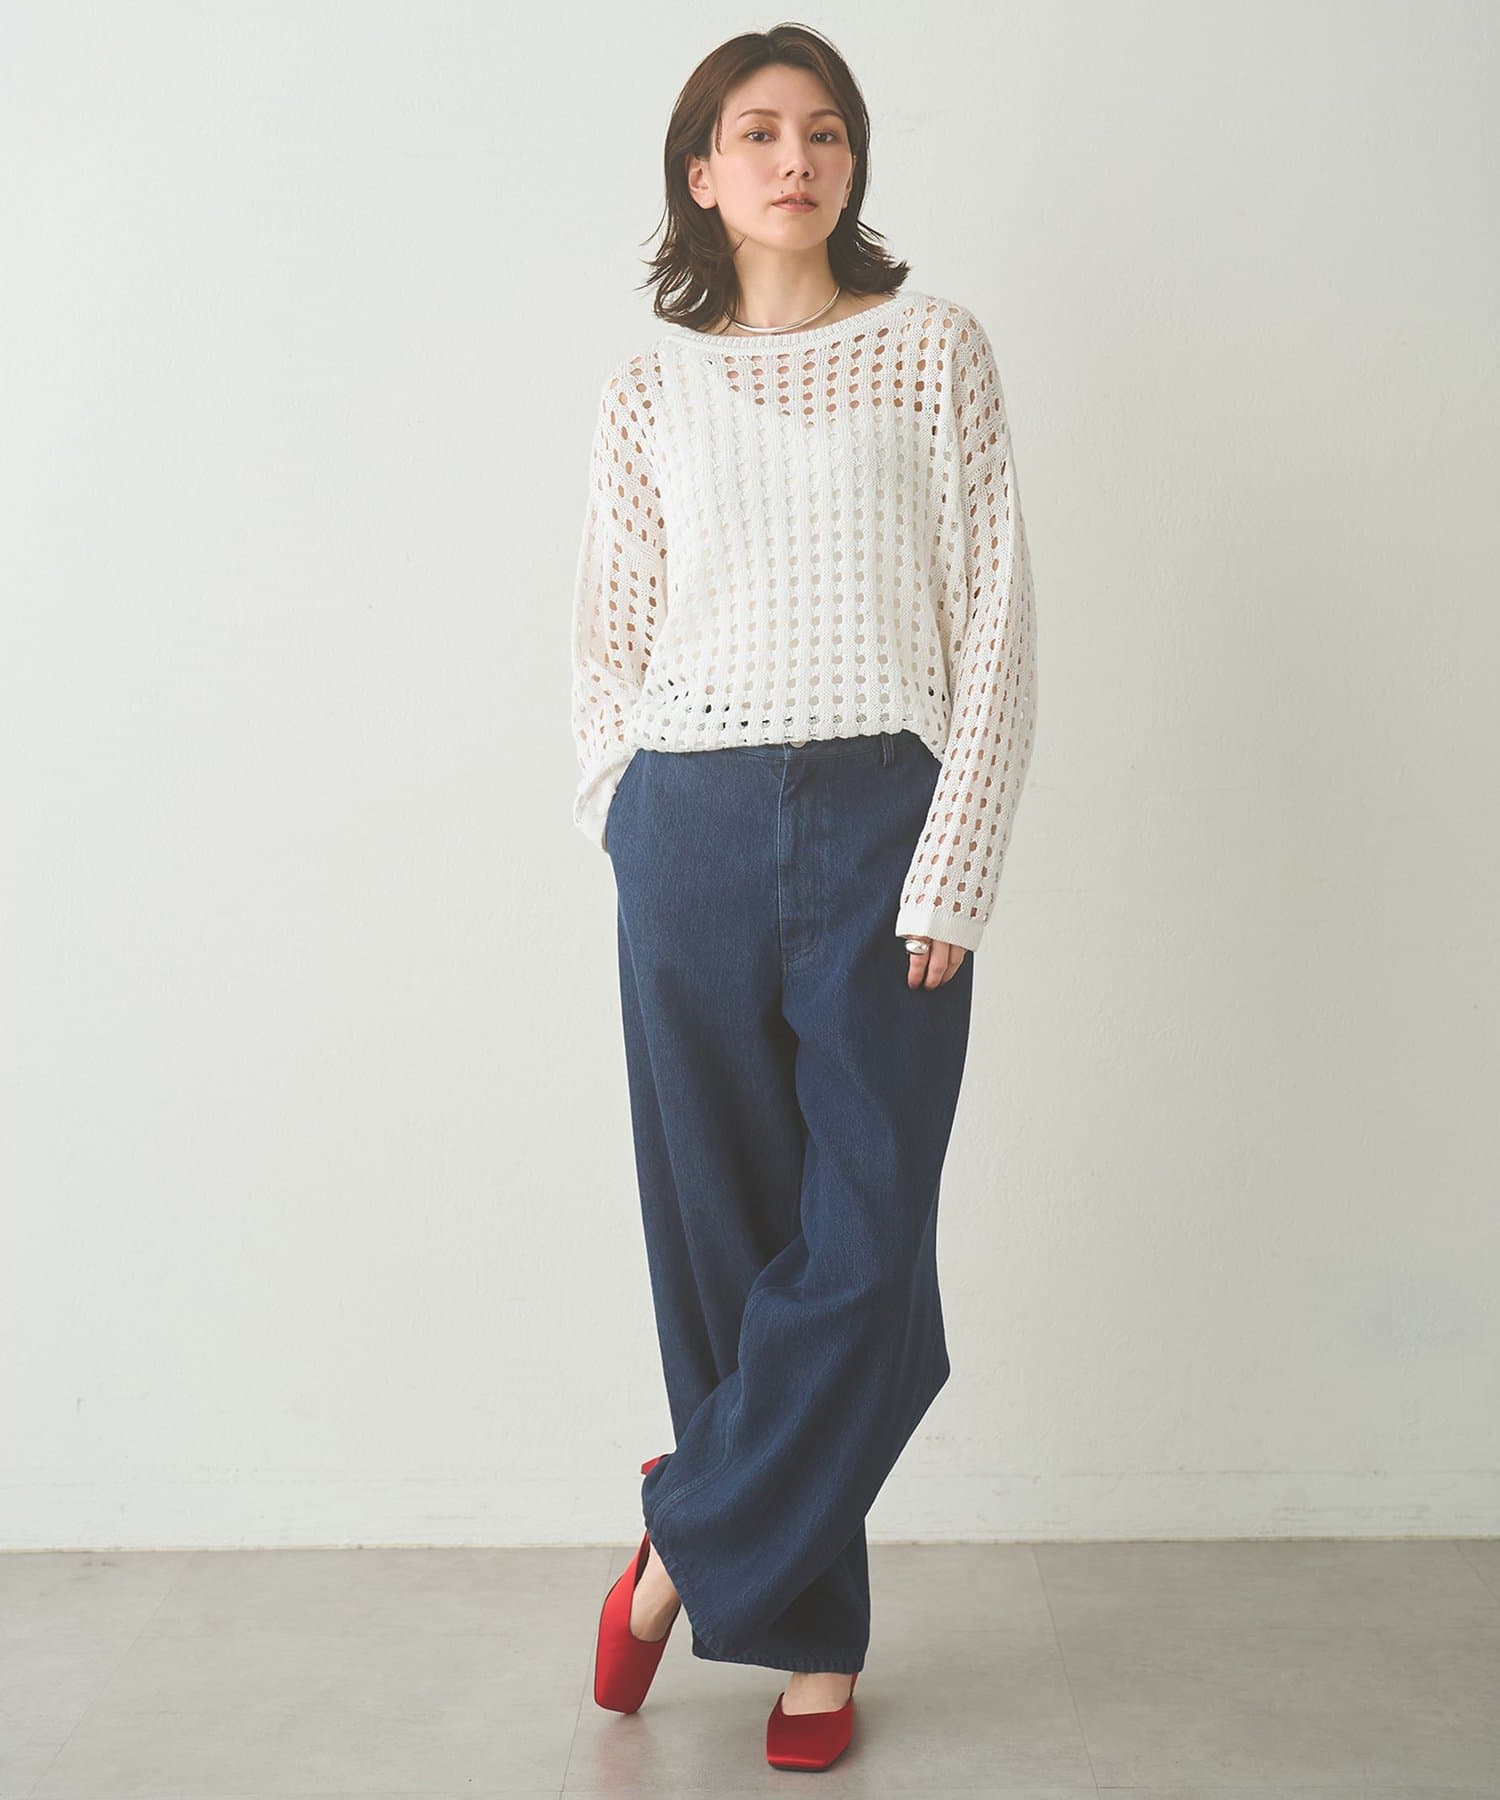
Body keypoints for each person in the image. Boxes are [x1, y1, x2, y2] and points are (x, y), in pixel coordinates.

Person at [571, 24, 1038, 1772]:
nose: (796, 157)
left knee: (868, 1252)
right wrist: (624, 816)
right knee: (728, 1241)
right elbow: (606, 637)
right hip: (687, 824)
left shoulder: (933, 349)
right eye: (758, 133)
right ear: (702, 175)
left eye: (825, 132)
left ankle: (680, 1534)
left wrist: (956, 857)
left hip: (881, 821)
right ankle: (810, 1641)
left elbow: (998, 614)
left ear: (853, 167)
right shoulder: (650, 389)